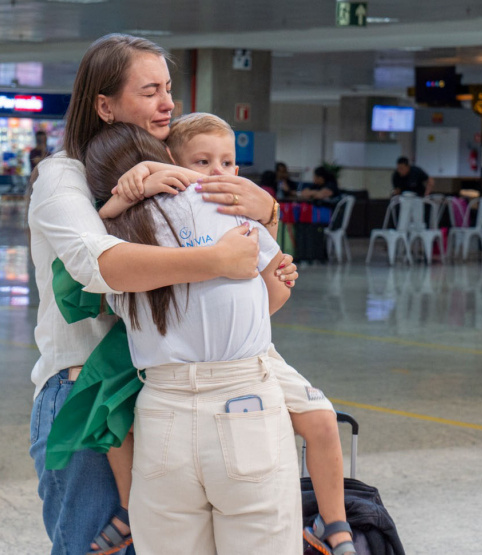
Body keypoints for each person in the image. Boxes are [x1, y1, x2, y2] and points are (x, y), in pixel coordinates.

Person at [27, 34, 294, 555]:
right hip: (85, 391)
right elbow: (96, 265)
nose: (168, 103)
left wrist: (267, 217)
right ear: (104, 105)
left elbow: (253, 284)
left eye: (168, 88)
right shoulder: (64, 176)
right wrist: (214, 258)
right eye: (150, 91)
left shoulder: (176, 175)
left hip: (158, 391)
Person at [90, 113, 354, 555]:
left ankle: (337, 523)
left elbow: (88, 261)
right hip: (241, 392)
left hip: (162, 404)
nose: (217, 173)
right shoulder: (236, 216)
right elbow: (269, 300)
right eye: (204, 161)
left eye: (228, 163)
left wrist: (122, 199)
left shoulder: (124, 227)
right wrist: (267, 238)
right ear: (170, 159)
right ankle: (337, 527)